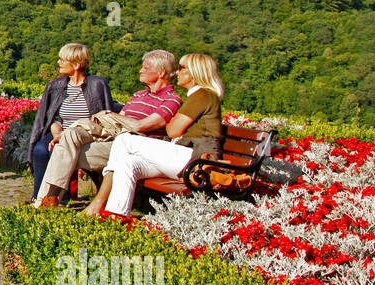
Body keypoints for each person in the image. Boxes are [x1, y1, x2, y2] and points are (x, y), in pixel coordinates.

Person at [32, 49, 182, 206]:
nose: (140, 70)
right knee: (69, 137)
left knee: (64, 151)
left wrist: (111, 115)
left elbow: (141, 126)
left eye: (145, 68)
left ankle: (46, 202)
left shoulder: (171, 100)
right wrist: (111, 118)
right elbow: (120, 123)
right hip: (114, 137)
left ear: (161, 73)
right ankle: (47, 201)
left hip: (133, 146)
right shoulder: (138, 95)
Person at [83, 53, 225, 218]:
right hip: (188, 158)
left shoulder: (202, 96)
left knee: (125, 140)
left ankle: (99, 202)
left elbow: (172, 131)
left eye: (181, 68)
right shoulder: (199, 96)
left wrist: (173, 123)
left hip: (198, 161)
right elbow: (173, 126)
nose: (177, 72)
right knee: (128, 163)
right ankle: (116, 215)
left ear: (195, 72)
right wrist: (174, 122)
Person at [25, 44, 117, 201]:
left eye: (63, 60)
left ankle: (59, 198)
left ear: (76, 65)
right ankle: (37, 197)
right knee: (40, 151)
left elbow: (103, 116)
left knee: (58, 152)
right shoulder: (56, 86)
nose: (59, 63)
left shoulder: (97, 85)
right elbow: (54, 118)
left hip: (85, 135)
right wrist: (57, 133)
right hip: (60, 132)